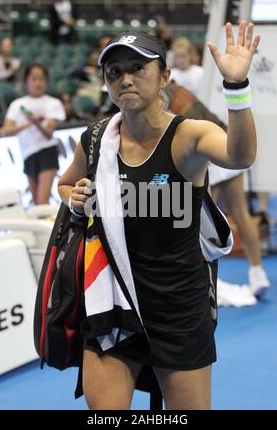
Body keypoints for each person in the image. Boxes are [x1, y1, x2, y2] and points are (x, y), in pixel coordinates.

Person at [57, 23, 260, 410]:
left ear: (164, 76)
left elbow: (240, 156)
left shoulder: (188, 137)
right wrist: (76, 199)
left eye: (137, 68)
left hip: (178, 311)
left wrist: (237, 88)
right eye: (114, 72)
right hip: (112, 305)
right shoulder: (97, 138)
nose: (125, 79)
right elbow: (66, 186)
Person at [164, 82, 270, 298]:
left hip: (210, 151)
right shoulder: (176, 91)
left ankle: (207, 280)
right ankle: (258, 274)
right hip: (221, 143)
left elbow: (185, 131)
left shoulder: (169, 96)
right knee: (238, 214)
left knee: (200, 221)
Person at [0, 63, 66, 205]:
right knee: (36, 203)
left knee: (42, 201)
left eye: (41, 79)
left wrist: (36, 122)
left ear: (47, 81)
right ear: (27, 81)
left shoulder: (53, 103)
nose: (38, 83)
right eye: (34, 78)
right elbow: (5, 131)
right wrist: (30, 122)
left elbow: (48, 133)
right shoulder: (17, 104)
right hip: (28, 155)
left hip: (47, 152)